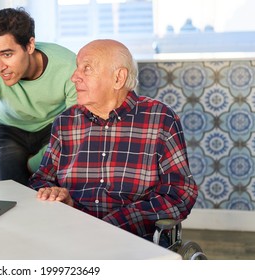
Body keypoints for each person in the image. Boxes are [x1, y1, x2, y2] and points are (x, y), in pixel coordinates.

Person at [28, 39, 198, 243]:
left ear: (118, 78)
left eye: (87, 69)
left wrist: (114, 225)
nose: (74, 77)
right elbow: (40, 180)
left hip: (134, 242)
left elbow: (180, 194)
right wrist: (53, 194)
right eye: (77, 68)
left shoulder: (161, 119)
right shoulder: (65, 122)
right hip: (70, 235)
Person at [0, 7, 77, 186]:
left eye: (7, 54)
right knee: (12, 192)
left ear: (30, 45)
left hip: (54, 129)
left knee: (54, 193)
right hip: (9, 129)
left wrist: (32, 164)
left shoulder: (68, 66)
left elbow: (72, 129)